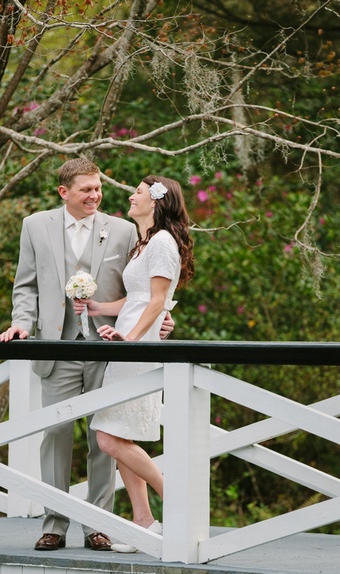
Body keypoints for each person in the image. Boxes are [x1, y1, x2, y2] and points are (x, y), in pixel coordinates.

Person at [0, 159, 174, 552]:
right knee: (56, 436)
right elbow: (25, 286)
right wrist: (22, 324)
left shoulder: (125, 229)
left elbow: (148, 285)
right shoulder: (35, 226)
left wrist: (165, 319)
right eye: (86, 190)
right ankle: (54, 524)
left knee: (104, 439)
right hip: (55, 349)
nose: (95, 195)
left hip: (107, 352)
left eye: (98, 188)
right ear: (64, 193)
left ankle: (99, 524)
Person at [74, 175, 194, 553]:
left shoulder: (161, 243)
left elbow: (158, 302)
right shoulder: (145, 243)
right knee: (118, 435)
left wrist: (131, 338)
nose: (130, 196)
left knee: (108, 437)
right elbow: (136, 299)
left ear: (156, 202)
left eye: (138, 193)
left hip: (136, 349)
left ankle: (178, 500)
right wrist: (97, 308)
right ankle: (144, 523)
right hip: (127, 345)